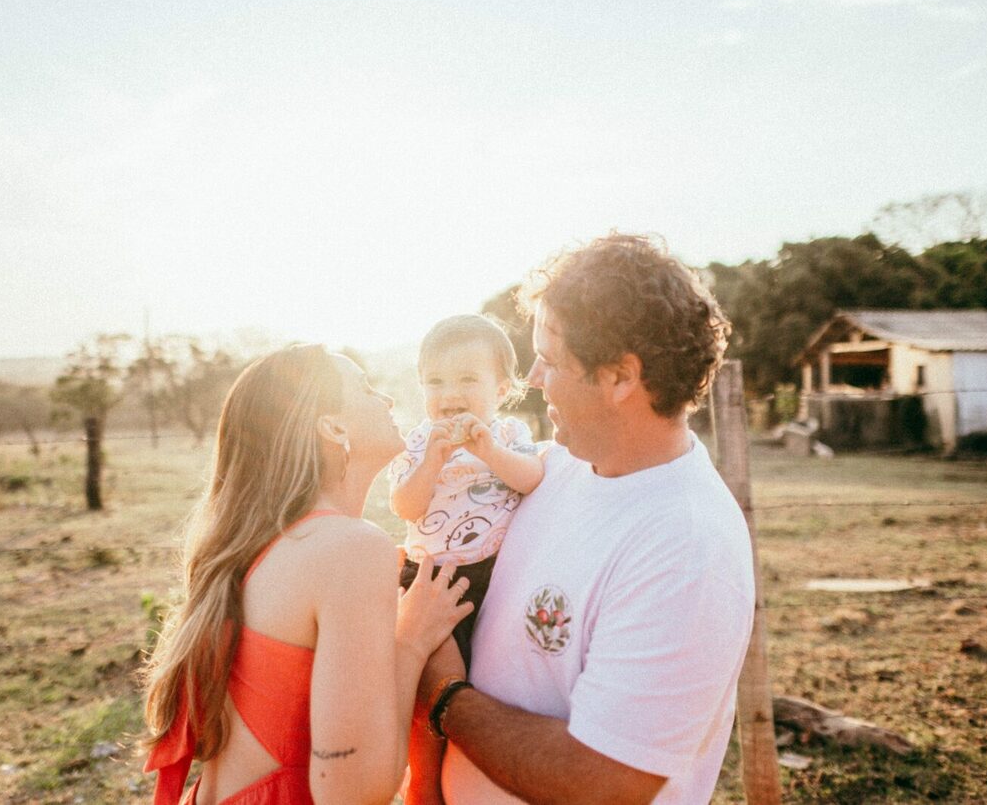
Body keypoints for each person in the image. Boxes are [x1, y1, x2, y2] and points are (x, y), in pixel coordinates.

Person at [416, 233, 756, 805]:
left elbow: (601, 781)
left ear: (621, 376)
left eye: (549, 360)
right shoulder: (552, 469)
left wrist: (444, 696)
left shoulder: (687, 545)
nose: (531, 380)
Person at [141, 344, 472, 805]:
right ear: (333, 426)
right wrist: (412, 641)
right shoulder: (349, 548)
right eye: (366, 388)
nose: (388, 400)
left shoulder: (265, 544)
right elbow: (352, 792)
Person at [388, 314, 545, 803]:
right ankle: (425, 789)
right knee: (436, 692)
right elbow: (404, 506)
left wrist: (490, 450)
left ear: (502, 389)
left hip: (495, 579)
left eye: (467, 379)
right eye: (436, 381)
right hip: (431, 580)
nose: (449, 392)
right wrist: (432, 463)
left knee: (485, 689)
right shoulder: (417, 441)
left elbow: (530, 478)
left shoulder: (512, 434)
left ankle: (473, 780)